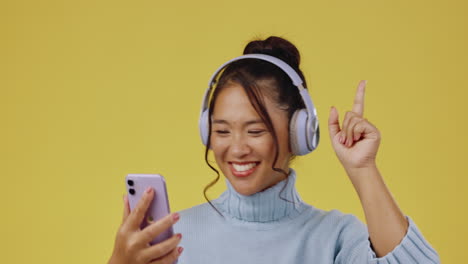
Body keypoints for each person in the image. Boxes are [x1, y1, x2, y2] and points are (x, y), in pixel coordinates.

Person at [108, 36, 440, 264]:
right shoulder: (172, 239)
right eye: (222, 130)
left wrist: (363, 169)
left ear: (299, 133)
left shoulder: (335, 237)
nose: (236, 148)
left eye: (255, 130)